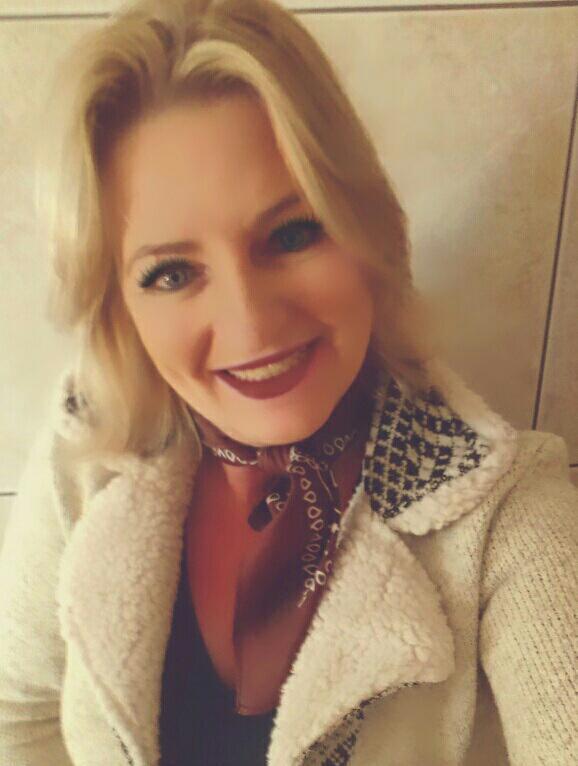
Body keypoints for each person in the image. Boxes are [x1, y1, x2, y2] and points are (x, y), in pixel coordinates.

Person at [0, 0, 576, 764]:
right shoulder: (87, 450)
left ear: (367, 229)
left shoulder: (508, 513)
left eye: (293, 233)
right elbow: (20, 715)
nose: (251, 325)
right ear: (120, 307)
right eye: (172, 273)